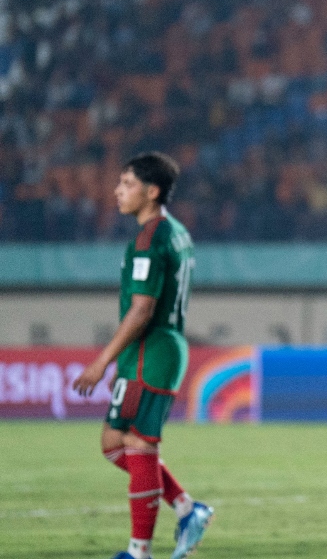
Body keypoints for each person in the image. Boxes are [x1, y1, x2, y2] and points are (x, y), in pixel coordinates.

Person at [71, 152, 213, 559]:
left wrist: (101, 362)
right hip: (148, 352)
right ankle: (187, 508)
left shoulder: (150, 239)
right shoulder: (176, 232)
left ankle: (139, 551)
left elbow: (142, 309)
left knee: (137, 444)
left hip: (154, 351)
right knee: (114, 442)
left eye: (127, 184)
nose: (118, 190)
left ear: (152, 192)